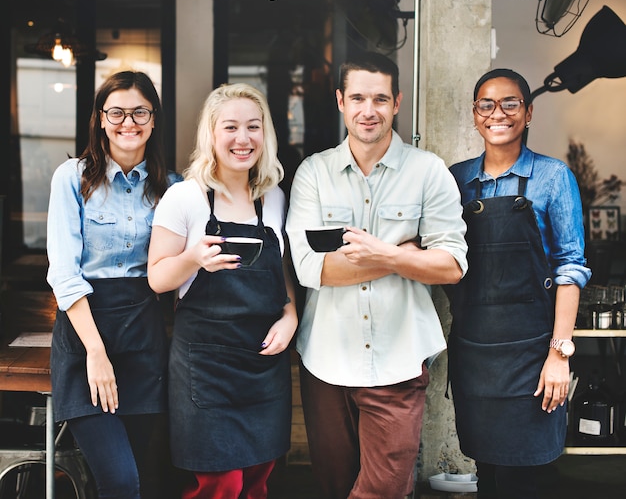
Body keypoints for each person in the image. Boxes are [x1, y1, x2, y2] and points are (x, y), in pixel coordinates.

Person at [285, 51, 468, 499]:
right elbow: (311, 268)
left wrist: (379, 253)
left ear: (397, 102)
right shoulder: (314, 173)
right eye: (359, 98)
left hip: (399, 360)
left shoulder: (429, 172)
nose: (370, 110)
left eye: (381, 99)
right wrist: (405, 256)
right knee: (334, 487)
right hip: (327, 360)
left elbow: (451, 265)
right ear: (340, 101)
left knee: (384, 490)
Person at [147, 82, 297, 499]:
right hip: (206, 369)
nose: (243, 138)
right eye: (230, 127)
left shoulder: (274, 198)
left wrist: (290, 314)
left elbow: (281, 267)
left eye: (254, 126)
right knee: (219, 484)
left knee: (256, 481)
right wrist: (194, 258)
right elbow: (158, 277)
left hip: (263, 366)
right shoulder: (185, 197)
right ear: (211, 134)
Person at [447, 68, 591, 499]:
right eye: (486, 105)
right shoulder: (455, 180)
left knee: (523, 478)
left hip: (533, 354)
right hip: (474, 355)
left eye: (510, 103)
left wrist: (559, 354)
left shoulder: (553, 177)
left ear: (528, 113)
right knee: (487, 475)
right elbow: (440, 259)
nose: (498, 114)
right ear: (475, 115)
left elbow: (571, 267)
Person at [46, 70, 181, 499]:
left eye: (140, 111)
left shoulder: (171, 188)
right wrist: (95, 352)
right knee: (120, 479)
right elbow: (65, 274)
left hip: (144, 337)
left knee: (137, 475)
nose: (129, 122)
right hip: (86, 338)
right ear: (101, 119)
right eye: (117, 112)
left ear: (154, 118)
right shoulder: (72, 178)